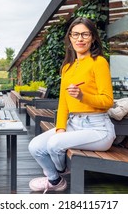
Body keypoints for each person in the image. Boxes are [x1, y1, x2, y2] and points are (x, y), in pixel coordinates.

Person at [28, 17, 116, 193]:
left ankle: (58, 173)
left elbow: (108, 101)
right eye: (75, 34)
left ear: (92, 38)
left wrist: (83, 96)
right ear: (69, 38)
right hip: (73, 124)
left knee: (54, 144)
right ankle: (56, 181)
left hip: (99, 129)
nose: (80, 39)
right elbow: (63, 102)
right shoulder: (67, 67)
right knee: (35, 146)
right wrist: (60, 128)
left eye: (85, 34)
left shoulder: (99, 62)